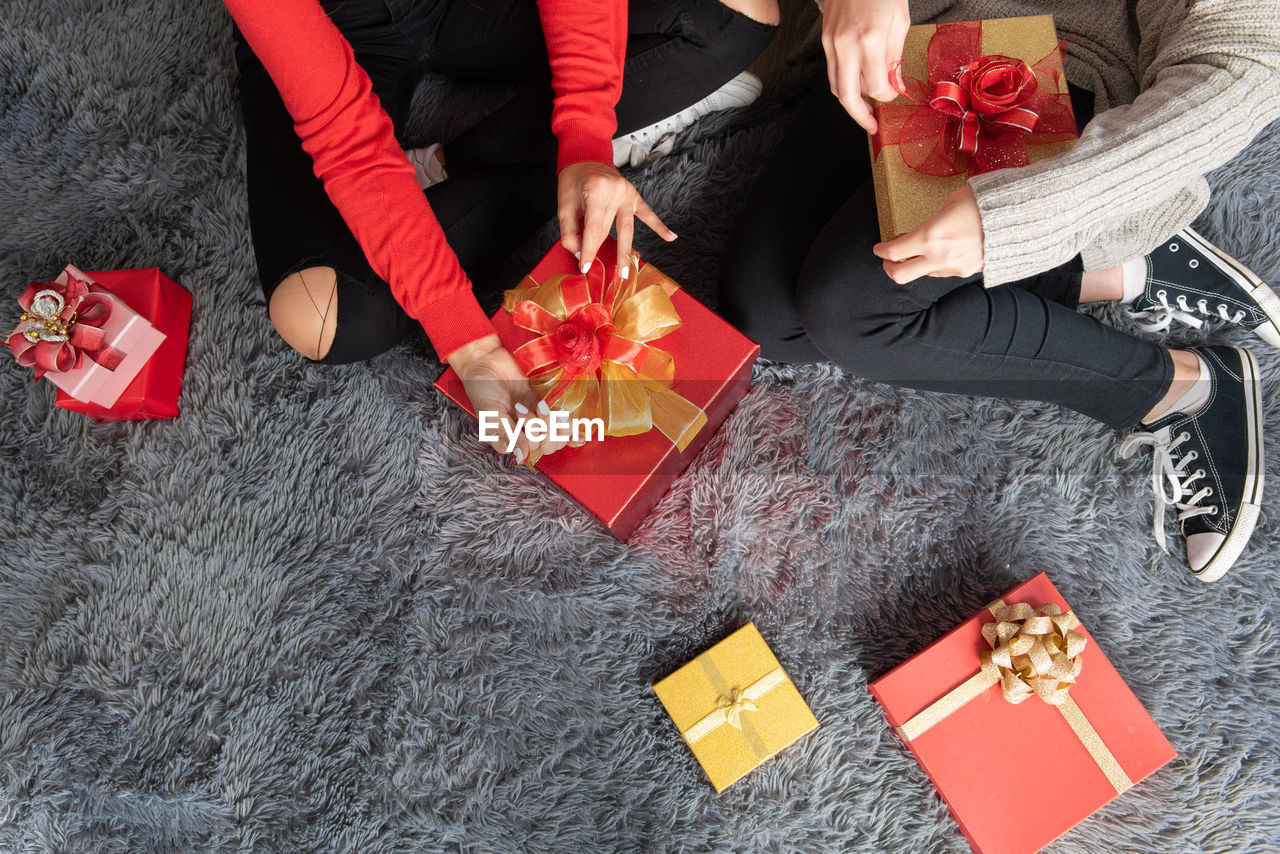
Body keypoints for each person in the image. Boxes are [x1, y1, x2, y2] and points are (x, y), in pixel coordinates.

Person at [719, 0, 1280, 581]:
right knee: (768, 317)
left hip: (1073, 62)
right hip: (904, 28)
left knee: (850, 314)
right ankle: (1113, 269)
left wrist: (1024, 215)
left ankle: (1181, 388)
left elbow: (1243, 64)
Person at [225, 0, 778, 464]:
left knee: (736, 16)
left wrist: (586, 134)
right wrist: (470, 346)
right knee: (321, 313)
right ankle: (557, 161)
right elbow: (347, 141)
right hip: (328, 25)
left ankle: (463, 167)